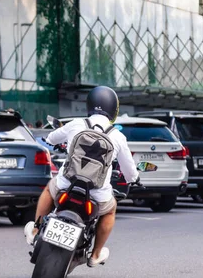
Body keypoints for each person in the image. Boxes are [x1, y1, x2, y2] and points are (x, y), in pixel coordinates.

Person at [24, 86, 139, 268]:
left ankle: (36, 229)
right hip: (97, 195)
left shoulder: (76, 124)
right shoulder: (117, 136)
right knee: (110, 210)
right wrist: (134, 178)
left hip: (66, 186)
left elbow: (51, 138)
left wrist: (56, 142)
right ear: (113, 110)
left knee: (49, 189)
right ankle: (95, 254)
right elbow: (130, 171)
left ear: (90, 104)